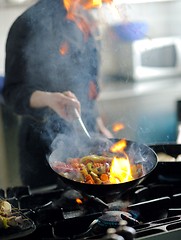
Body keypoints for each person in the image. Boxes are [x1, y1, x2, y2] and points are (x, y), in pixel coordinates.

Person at [2, 0, 113, 189]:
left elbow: (89, 84)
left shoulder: (86, 19)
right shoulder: (26, 24)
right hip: (43, 150)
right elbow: (12, 92)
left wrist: (98, 123)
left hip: (87, 134)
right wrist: (48, 98)